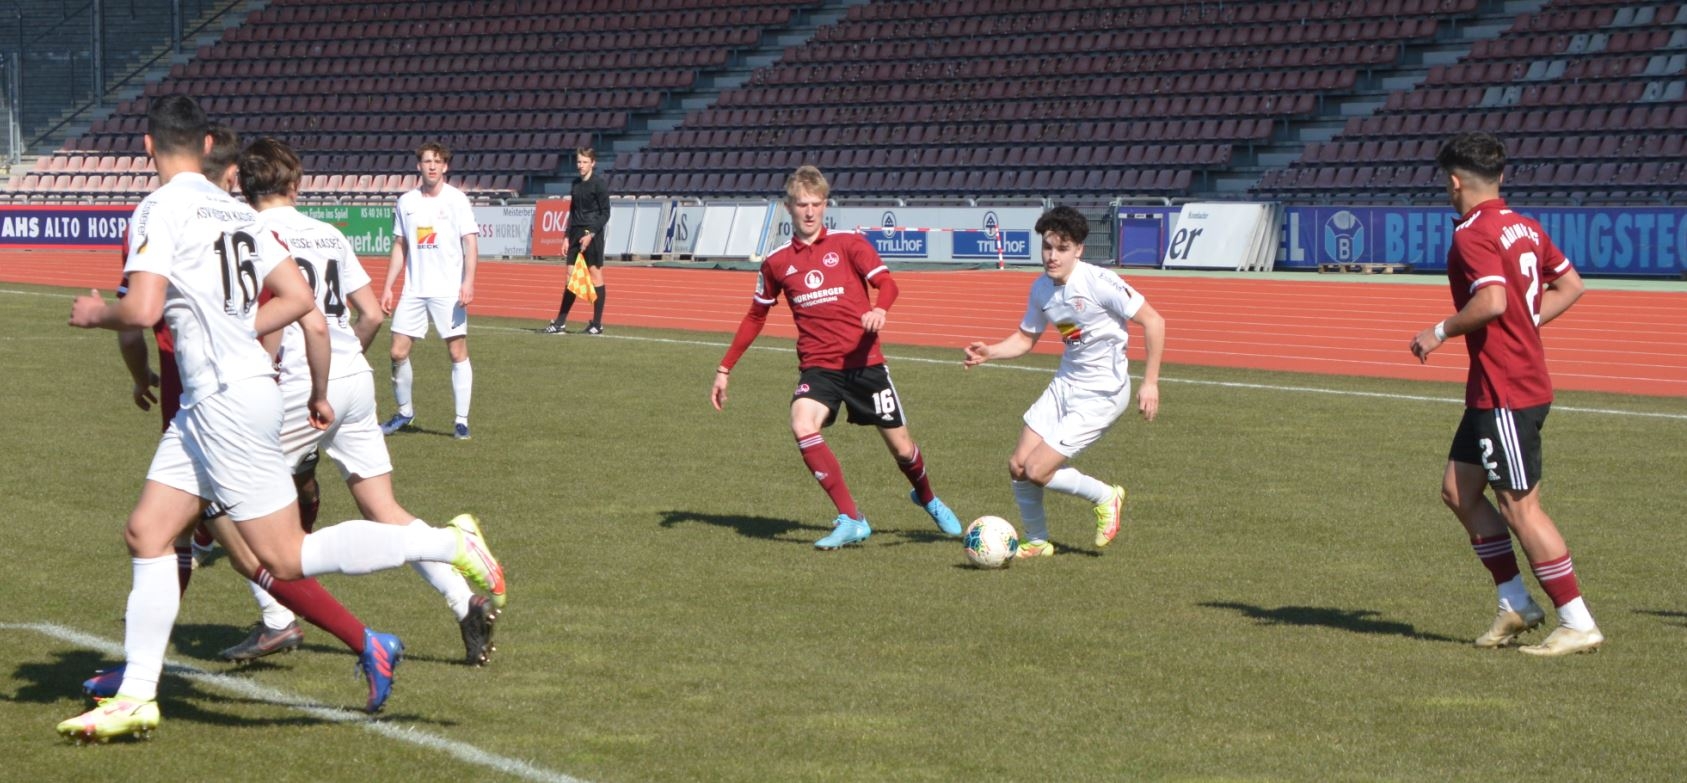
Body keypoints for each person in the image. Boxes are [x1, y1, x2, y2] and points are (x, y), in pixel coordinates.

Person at [58, 96, 506, 743]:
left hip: (225, 401)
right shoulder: (236, 211)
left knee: (284, 558)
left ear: (148, 147)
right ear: (207, 145)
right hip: (222, 398)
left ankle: (448, 545)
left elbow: (142, 308)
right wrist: (237, 330)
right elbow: (298, 298)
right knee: (148, 532)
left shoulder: (161, 206)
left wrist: (96, 313)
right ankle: (135, 696)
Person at [235, 137, 498, 666]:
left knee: (238, 502)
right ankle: (464, 600)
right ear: (295, 184)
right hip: (353, 374)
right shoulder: (328, 233)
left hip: (299, 383)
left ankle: (277, 619)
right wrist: (345, 360)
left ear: (244, 187)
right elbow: (372, 313)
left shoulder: (249, 235)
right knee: (383, 509)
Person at [1408, 131, 1598, 656]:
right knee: (1458, 491)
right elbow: (1572, 285)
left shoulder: (1473, 233)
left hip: (1508, 389)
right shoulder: (1524, 225)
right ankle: (1515, 602)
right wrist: (1525, 323)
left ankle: (1577, 620)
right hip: (1495, 386)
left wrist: (1439, 331)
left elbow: (1491, 300)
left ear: (1453, 182)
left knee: (1519, 507)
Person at [709, 165, 961, 549]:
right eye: (802, 204)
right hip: (819, 368)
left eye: (816, 204)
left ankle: (926, 497)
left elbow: (887, 283)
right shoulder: (776, 262)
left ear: (826, 204)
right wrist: (724, 368)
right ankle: (852, 518)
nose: (809, 212)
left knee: (902, 449)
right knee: (801, 423)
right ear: (788, 207)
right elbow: (756, 316)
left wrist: (880, 308)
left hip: (865, 365)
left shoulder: (849, 244)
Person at [961, 206, 1165, 558]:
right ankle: (1037, 541)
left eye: (1062, 248)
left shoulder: (1099, 282)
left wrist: (1150, 383)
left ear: (1079, 250)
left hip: (1102, 393)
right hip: (1065, 384)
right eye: (1047, 247)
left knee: (1037, 470)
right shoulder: (1042, 289)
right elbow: (1026, 339)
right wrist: (990, 352)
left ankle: (1106, 497)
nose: (1052, 256)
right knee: (1018, 466)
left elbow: (1154, 321)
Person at [380, 142, 479, 439]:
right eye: (427, 161)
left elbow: (471, 243)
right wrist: (388, 286)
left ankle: (461, 420)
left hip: (448, 290)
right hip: (414, 290)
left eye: (437, 161)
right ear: (419, 166)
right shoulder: (406, 202)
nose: (432, 166)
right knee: (397, 351)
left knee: (457, 351)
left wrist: (468, 281)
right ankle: (404, 413)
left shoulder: (457, 200)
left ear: (445, 166)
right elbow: (400, 245)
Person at [542, 147, 611, 335]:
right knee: (570, 277)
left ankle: (597, 324)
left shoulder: (599, 185)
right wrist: (566, 236)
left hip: (592, 234)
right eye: (579, 162)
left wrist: (590, 234)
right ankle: (560, 323)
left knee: (595, 275)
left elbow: (605, 213)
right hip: (574, 233)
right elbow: (572, 212)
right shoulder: (575, 184)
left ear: (593, 163)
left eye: (585, 162)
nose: (581, 165)